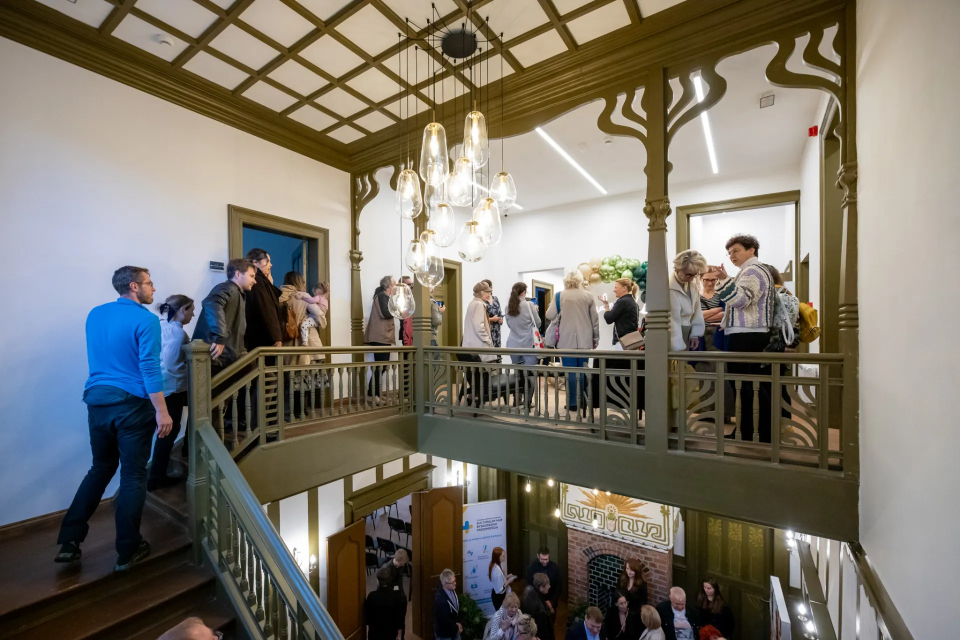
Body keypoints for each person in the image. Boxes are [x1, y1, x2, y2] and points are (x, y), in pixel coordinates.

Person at [55, 266, 173, 572]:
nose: (154, 289)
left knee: (100, 469)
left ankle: (69, 542)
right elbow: (148, 367)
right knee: (133, 476)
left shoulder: (95, 314)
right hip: (131, 404)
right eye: (149, 283)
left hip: (96, 400)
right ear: (134, 286)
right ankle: (128, 550)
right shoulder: (147, 319)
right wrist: (162, 410)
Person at [714, 235, 775, 442]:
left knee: (746, 386)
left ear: (751, 250)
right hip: (749, 334)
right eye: (729, 252)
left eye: (736, 250)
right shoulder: (750, 271)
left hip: (748, 335)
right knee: (751, 385)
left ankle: (752, 432)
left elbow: (741, 300)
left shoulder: (752, 270)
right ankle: (753, 431)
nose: (732, 255)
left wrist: (723, 281)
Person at [148, 294, 194, 491]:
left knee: (164, 434)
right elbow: (170, 364)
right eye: (191, 309)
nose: (193, 314)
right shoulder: (177, 333)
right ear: (182, 309)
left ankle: (156, 475)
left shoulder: (161, 328)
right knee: (168, 434)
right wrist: (191, 370)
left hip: (161, 388)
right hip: (172, 389)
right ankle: (157, 477)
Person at [546, 270, 598, 412]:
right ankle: (584, 400)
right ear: (580, 280)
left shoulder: (559, 296)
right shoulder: (588, 296)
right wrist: (596, 338)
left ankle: (573, 403)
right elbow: (595, 320)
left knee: (570, 372)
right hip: (585, 340)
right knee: (582, 371)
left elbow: (550, 315)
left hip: (565, 340)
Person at [192, 258, 256, 373]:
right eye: (251, 276)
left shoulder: (236, 292)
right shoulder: (228, 288)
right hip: (216, 358)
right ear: (237, 274)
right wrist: (219, 337)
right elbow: (211, 303)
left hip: (223, 358)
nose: (254, 281)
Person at [504, 283, 540, 410]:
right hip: (528, 345)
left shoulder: (507, 307)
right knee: (530, 375)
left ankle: (517, 400)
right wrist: (536, 311)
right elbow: (538, 323)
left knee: (518, 374)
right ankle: (527, 402)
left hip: (513, 345)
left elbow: (509, 326)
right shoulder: (529, 305)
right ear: (524, 292)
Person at [278, 272, 326, 365]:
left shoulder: (279, 297)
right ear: (299, 282)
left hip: (287, 344)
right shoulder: (303, 296)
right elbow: (319, 314)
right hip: (308, 344)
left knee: (290, 375)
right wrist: (323, 322)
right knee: (311, 375)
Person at [243, 248, 283, 351]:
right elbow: (266, 308)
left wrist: (270, 283)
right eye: (267, 261)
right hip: (262, 337)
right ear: (255, 263)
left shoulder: (261, 280)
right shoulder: (257, 282)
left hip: (260, 335)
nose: (270, 265)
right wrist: (276, 337)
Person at [365, 275, 396, 403]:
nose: (395, 288)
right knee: (379, 367)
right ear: (389, 286)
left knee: (382, 367)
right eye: (394, 285)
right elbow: (385, 313)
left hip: (383, 337)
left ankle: (376, 393)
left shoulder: (384, 296)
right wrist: (398, 309)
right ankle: (372, 395)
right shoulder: (382, 296)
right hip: (380, 337)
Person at [669, 250, 707, 352]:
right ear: (677, 269)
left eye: (695, 275)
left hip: (687, 330)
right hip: (674, 333)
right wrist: (677, 344)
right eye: (688, 275)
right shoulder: (669, 288)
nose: (692, 278)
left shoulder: (692, 284)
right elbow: (673, 319)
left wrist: (695, 333)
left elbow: (697, 309)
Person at [366, 565, 407, 640]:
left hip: (374, 633)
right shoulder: (397, 597)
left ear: (378, 581)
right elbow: (400, 619)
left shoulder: (371, 596)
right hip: (390, 633)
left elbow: (368, 618)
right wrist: (399, 635)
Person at [601, 278, 640, 346]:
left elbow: (608, 319)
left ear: (624, 288)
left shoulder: (622, 302)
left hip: (622, 342)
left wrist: (606, 307)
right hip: (632, 342)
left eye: (616, 287)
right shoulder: (632, 302)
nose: (614, 290)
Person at [525, 546, 562, 615]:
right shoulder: (531, 568)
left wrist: (552, 602)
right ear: (538, 556)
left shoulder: (554, 567)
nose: (545, 562)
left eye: (546, 559)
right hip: (536, 602)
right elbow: (529, 587)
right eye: (542, 559)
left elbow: (558, 586)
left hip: (551, 600)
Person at [521, 574, 554, 640]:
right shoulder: (540, 609)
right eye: (548, 585)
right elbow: (544, 632)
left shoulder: (528, 590)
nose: (549, 586)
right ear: (541, 588)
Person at [434, 569, 463, 640]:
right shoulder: (440, 600)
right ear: (445, 584)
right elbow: (444, 619)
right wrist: (457, 627)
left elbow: (455, 610)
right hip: (445, 634)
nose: (455, 583)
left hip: (454, 629)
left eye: (455, 581)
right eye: (452, 582)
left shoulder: (452, 589)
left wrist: (458, 623)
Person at [699, 271, 723, 351]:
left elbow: (725, 314)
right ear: (701, 279)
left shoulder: (721, 295)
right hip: (699, 333)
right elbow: (690, 316)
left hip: (717, 332)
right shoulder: (695, 295)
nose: (710, 283)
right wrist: (716, 310)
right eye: (706, 280)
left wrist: (700, 317)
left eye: (713, 280)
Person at [489, 546, 516, 611]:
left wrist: (506, 577)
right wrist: (508, 582)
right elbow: (499, 590)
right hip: (499, 597)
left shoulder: (497, 565)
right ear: (498, 557)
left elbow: (500, 580)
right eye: (503, 556)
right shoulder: (497, 571)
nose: (505, 558)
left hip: (499, 595)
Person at [482, 279, 504, 349]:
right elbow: (481, 317)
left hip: (496, 330)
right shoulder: (482, 301)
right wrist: (491, 319)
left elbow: (500, 313)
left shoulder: (495, 299)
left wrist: (501, 320)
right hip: (487, 330)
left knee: (497, 352)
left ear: (490, 288)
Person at [400, 275, 414, 348]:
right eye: (409, 285)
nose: (411, 286)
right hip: (406, 332)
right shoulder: (400, 299)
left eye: (412, 284)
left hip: (414, 333)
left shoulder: (413, 297)